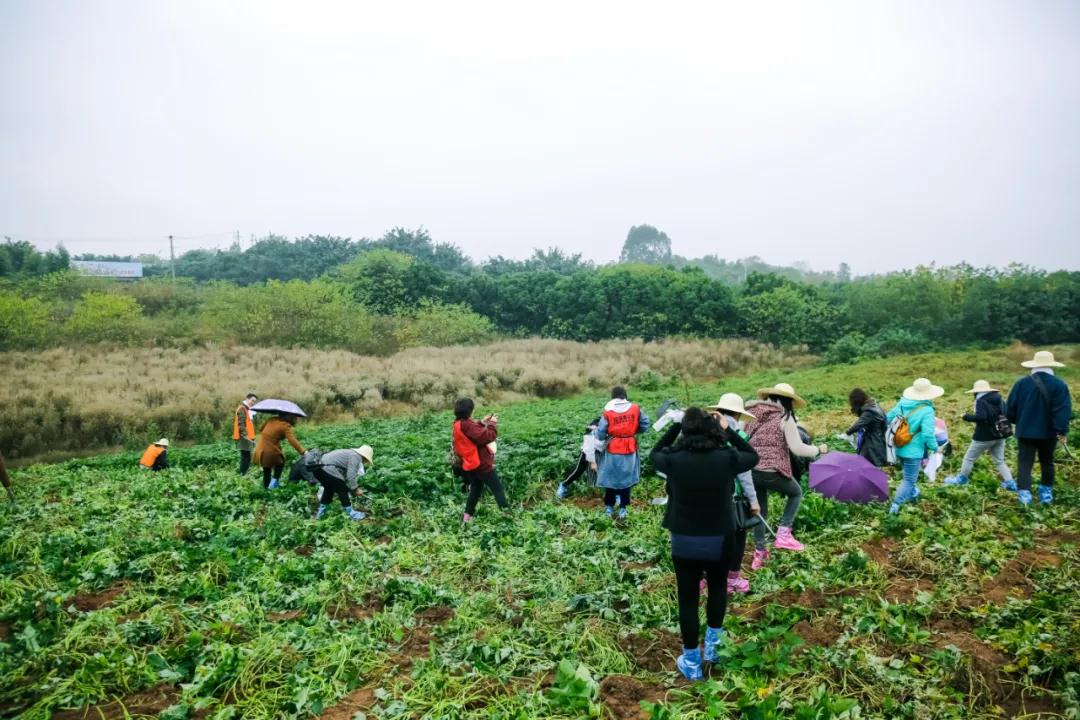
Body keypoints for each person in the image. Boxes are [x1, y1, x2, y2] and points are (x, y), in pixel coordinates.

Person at [650, 407, 759, 680]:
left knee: (688, 599)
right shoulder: (726, 458)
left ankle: (691, 661)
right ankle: (713, 649)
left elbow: (655, 453)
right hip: (719, 537)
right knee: (718, 588)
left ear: (686, 431)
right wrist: (727, 430)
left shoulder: (674, 460)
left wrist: (677, 426)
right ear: (713, 429)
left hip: (684, 539)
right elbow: (752, 456)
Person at [744, 383, 827, 568]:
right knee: (796, 493)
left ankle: (760, 554)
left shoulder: (751, 413)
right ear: (788, 401)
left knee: (760, 511)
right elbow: (797, 448)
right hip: (771, 470)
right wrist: (818, 449)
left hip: (751, 469)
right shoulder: (784, 417)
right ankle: (783, 534)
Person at [1004, 350, 1072, 506]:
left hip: (1025, 431)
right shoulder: (1059, 385)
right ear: (1051, 365)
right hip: (1048, 433)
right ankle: (1046, 493)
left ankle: (1024, 495)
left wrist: (1020, 421)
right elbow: (1062, 411)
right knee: (1047, 461)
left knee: (1024, 462)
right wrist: (1061, 431)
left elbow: (1010, 410)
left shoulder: (1021, 383)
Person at [708, 393, 760, 594]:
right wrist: (753, 500)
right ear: (737, 414)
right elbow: (744, 472)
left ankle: (705, 579)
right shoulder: (735, 435)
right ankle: (731, 580)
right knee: (738, 537)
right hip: (731, 495)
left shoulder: (705, 433)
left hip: (706, 494)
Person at [885, 377, 943, 514]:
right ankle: (895, 506)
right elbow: (929, 434)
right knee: (909, 480)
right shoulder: (927, 410)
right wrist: (936, 448)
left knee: (909, 476)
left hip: (898, 447)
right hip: (914, 451)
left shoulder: (902, 403)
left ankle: (913, 495)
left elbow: (887, 418)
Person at [945, 380, 1015, 489]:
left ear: (976, 392)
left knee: (969, 459)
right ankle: (1010, 483)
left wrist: (966, 416)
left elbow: (981, 417)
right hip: (1000, 435)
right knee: (1000, 461)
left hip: (983, 437)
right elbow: (1006, 414)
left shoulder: (981, 401)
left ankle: (962, 480)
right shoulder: (1000, 399)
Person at [595, 386, 651, 519]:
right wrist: (632, 432)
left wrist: (600, 435)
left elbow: (601, 432)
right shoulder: (635, 408)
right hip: (629, 447)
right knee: (626, 478)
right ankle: (623, 509)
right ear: (625, 396)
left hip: (613, 447)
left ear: (613, 397)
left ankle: (609, 507)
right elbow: (645, 423)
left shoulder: (608, 411)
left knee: (611, 476)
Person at [453, 397, 509, 522]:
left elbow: (471, 432)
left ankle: (467, 517)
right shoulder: (467, 424)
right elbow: (486, 437)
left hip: (469, 464)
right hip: (481, 464)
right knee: (498, 489)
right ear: (470, 411)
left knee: (476, 489)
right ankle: (507, 516)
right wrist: (493, 424)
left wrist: (482, 423)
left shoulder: (458, 423)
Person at [313, 446, 374, 521]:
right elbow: (350, 475)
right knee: (342, 490)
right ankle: (351, 514)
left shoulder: (349, 453)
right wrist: (356, 489)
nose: (365, 462)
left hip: (318, 469)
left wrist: (352, 489)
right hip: (329, 469)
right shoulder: (355, 456)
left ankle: (321, 513)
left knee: (329, 490)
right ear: (365, 457)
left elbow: (345, 475)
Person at [254, 413, 306, 490]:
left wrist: (273, 435)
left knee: (267, 469)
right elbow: (292, 440)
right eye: (295, 418)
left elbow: (261, 429)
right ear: (290, 417)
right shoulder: (285, 426)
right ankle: (273, 485)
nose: (296, 420)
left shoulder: (271, 419)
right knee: (280, 464)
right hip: (270, 450)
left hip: (260, 448)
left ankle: (266, 489)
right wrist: (303, 452)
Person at [555, 418, 602, 500]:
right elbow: (588, 445)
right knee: (578, 470)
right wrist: (592, 462)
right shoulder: (594, 426)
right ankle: (564, 485)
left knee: (610, 472)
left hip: (604, 451)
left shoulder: (616, 426)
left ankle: (616, 494)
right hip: (589, 449)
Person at [845, 389, 888, 467]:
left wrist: (847, 433)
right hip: (878, 438)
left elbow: (858, 425)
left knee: (868, 464)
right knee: (872, 466)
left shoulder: (869, 411)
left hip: (873, 442)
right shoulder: (873, 405)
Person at [234, 393, 258, 476]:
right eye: (252, 400)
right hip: (244, 438)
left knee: (247, 457)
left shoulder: (247, 409)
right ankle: (242, 475)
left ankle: (244, 474)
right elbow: (241, 425)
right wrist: (247, 438)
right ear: (247, 399)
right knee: (245, 457)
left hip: (247, 437)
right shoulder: (242, 409)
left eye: (254, 401)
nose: (253, 402)